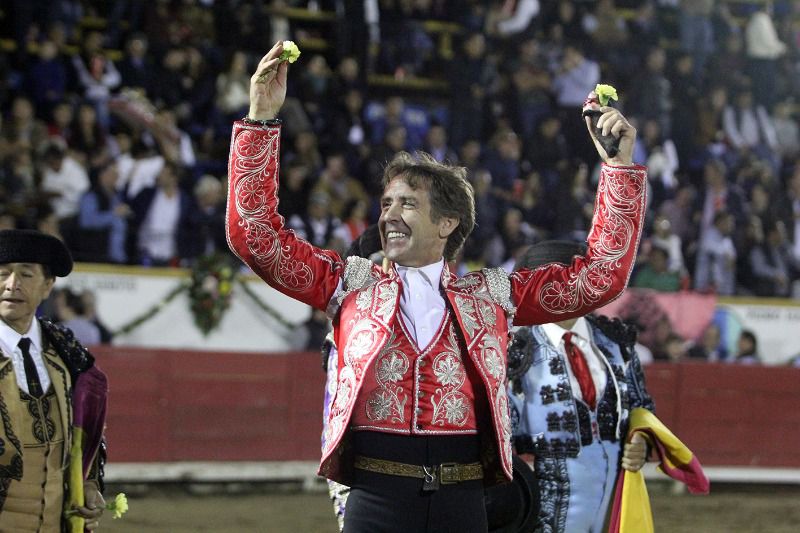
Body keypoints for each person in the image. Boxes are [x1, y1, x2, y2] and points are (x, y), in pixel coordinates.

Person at [226, 41, 647, 532]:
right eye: (385, 204)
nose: (388, 216)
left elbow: (600, 277)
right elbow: (253, 235)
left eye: (406, 204)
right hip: (374, 497)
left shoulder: (492, 296)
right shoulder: (348, 284)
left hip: (463, 501)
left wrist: (618, 170)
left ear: (447, 223)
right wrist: (260, 120)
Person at [506, 240, 655, 533]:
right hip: (542, 506)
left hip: (616, 500)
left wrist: (642, 442)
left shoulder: (615, 342)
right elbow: (499, 435)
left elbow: (641, 407)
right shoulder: (514, 351)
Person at [0, 229, 107, 531]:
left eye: (25, 274)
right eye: (3, 274)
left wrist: (88, 484)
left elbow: (87, 436)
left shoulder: (69, 357)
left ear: (48, 286)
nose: (12, 285)